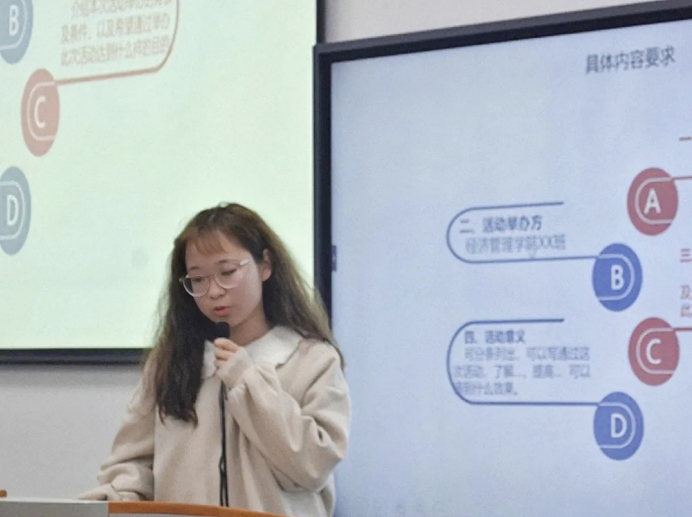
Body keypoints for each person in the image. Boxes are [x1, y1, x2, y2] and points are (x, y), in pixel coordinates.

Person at [80, 203, 351, 517]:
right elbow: (133, 463)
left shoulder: (312, 360)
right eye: (198, 280)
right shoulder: (172, 362)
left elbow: (313, 466)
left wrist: (248, 381)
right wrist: (117, 498)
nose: (214, 291)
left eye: (227, 273)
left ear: (265, 265)